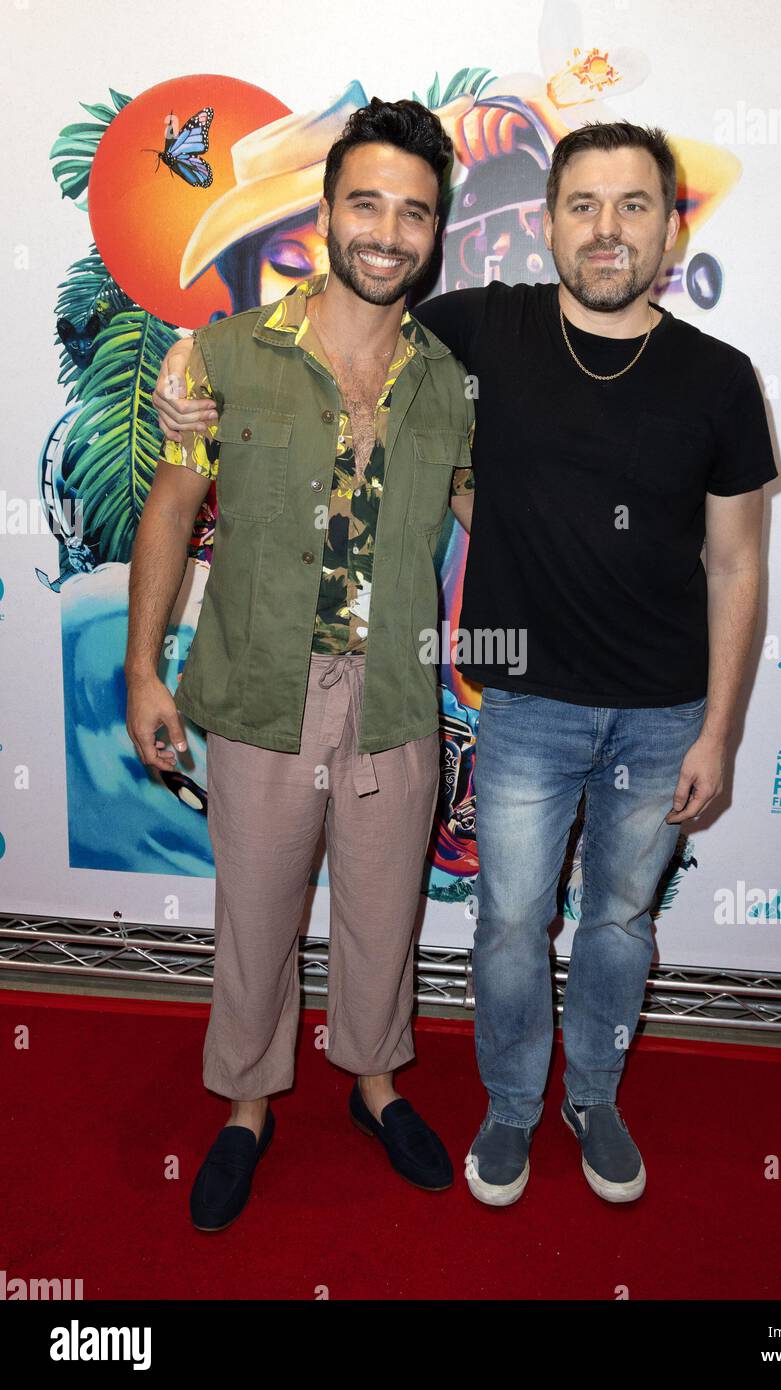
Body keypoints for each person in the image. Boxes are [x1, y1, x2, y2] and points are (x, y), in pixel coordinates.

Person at [154, 119, 778, 1211]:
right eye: (582, 204)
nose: (605, 228)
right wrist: (180, 388)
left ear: (664, 229)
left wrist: (716, 726)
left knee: (480, 917)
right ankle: (328, 1107)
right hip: (401, 695)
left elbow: (719, 559)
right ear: (544, 225)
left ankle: (461, 1087)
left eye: (632, 205)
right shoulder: (405, 342)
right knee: (360, 918)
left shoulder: (686, 377)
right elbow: (205, 459)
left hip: (549, 702)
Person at [127, 98, 475, 1232]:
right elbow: (173, 505)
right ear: (325, 214)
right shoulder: (225, 354)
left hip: (395, 700)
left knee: (384, 911)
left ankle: (374, 1085)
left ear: (435, 230)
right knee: (257, 913)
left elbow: (500, 519)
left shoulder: (451, 384)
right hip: (260, 684)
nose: (387, 231)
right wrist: (144, 670)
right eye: (365, 204)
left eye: (412, 212)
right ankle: (245, 1105)